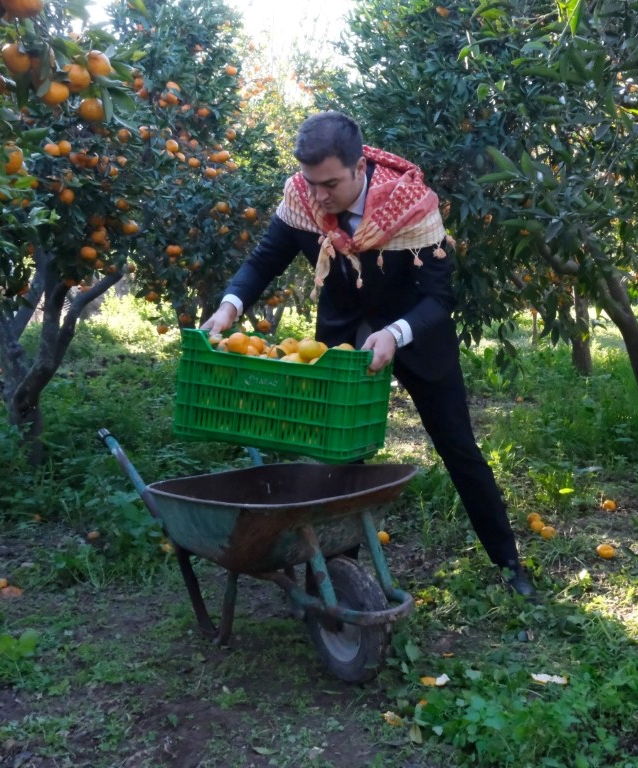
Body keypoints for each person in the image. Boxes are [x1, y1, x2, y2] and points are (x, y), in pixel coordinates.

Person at [201, 111, 535, 597]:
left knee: (459, 449)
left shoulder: (413, 206)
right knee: (341, 459)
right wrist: (230, 306)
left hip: (415, 335)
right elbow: (263, 261)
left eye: (330, 183)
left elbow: (439, 299)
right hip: (342, 338)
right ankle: (340, 577)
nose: (319, 196)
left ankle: (510, 567)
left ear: (360, 168)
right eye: (311, 183)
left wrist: (395, 334)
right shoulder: (302, 200)